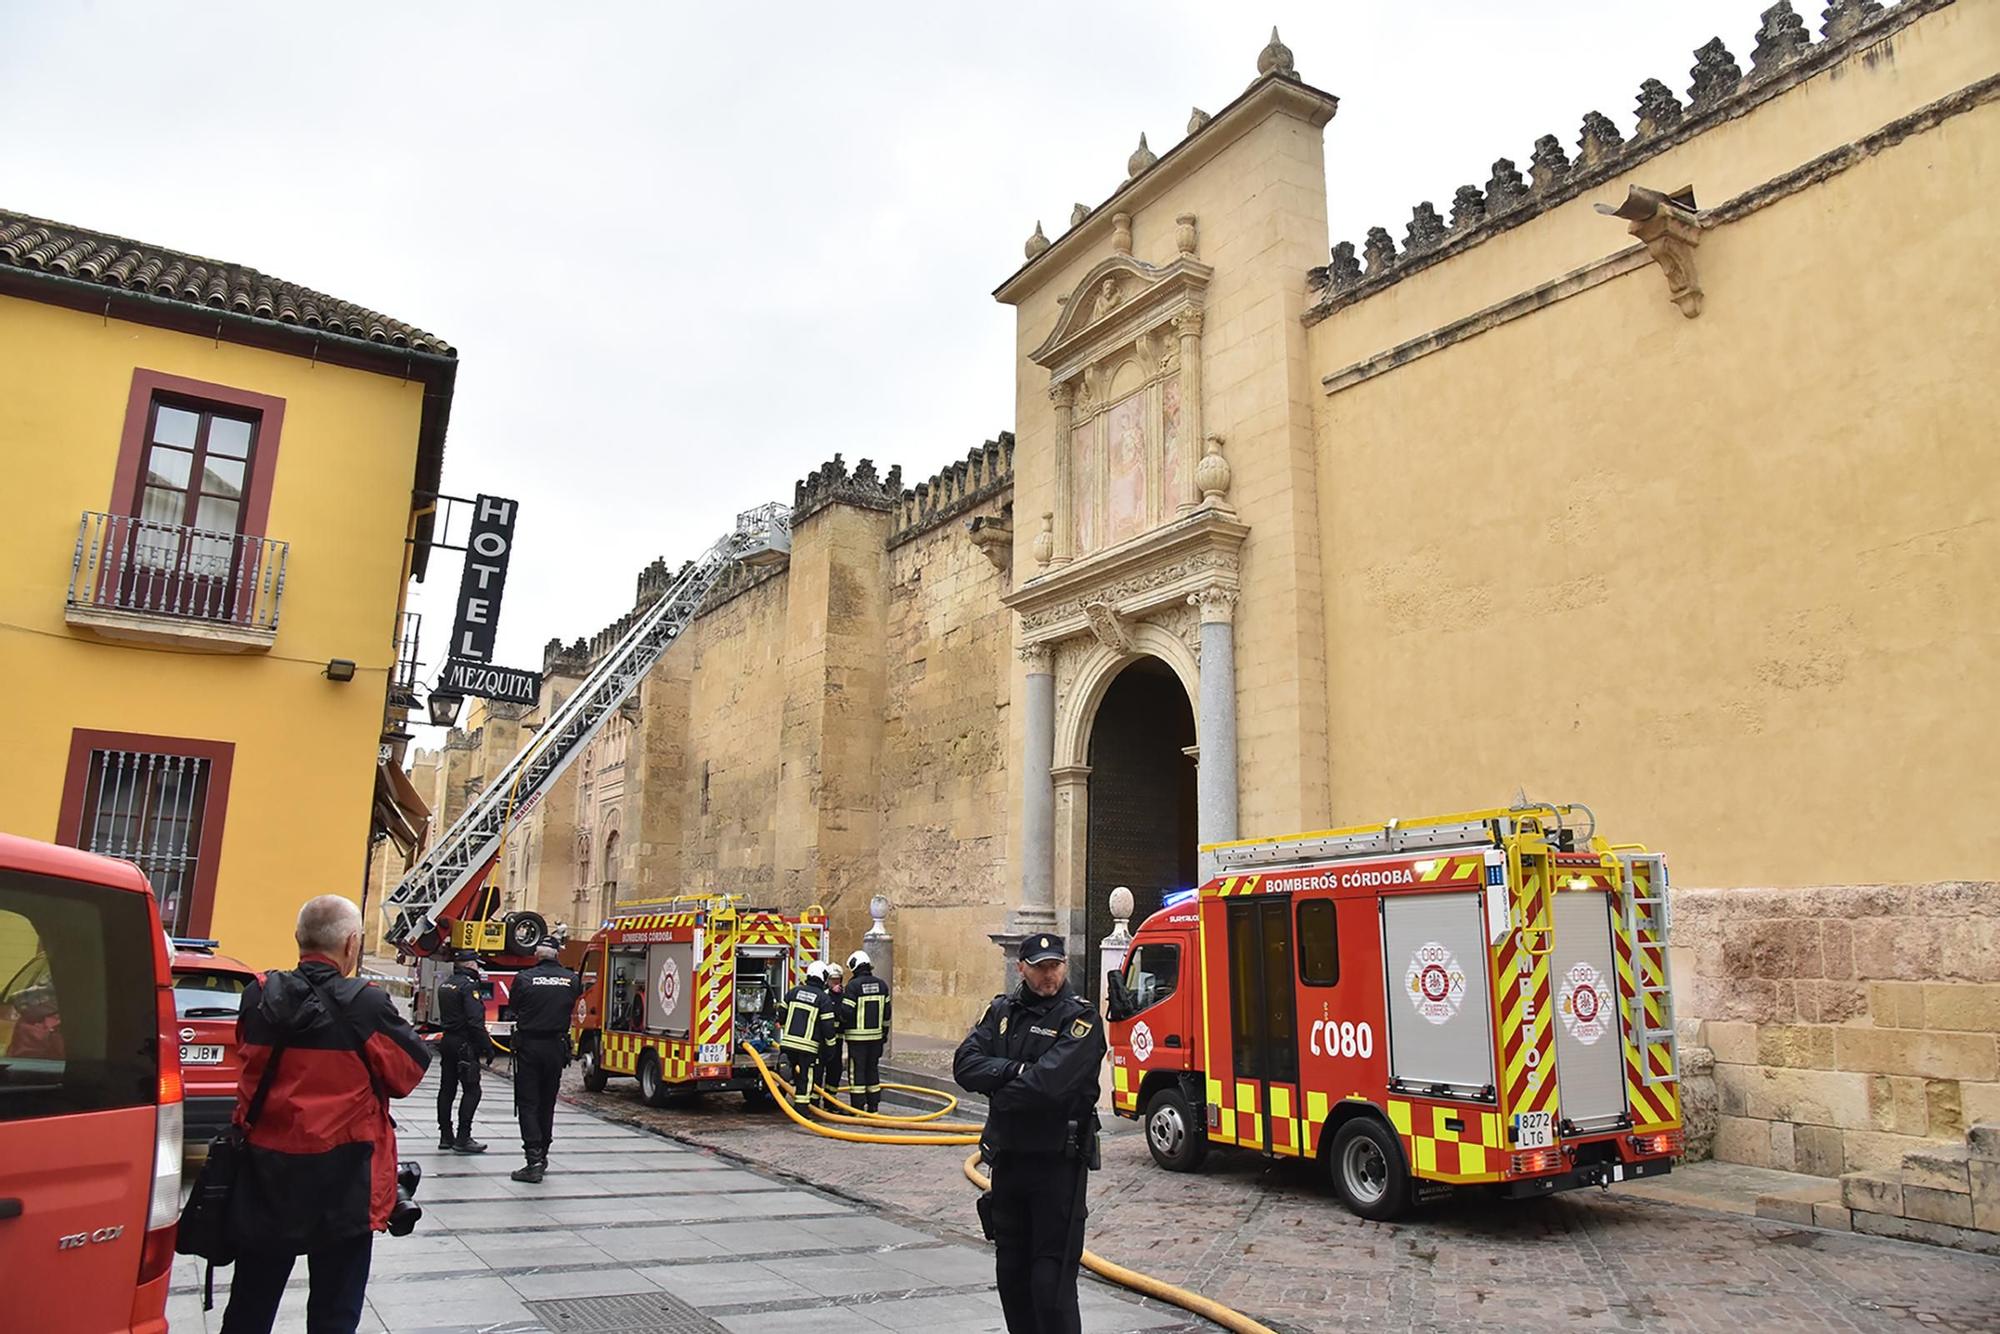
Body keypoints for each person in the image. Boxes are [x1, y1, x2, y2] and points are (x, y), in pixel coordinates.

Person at [220, 895, 431, 1334]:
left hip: (265, 1175)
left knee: (249, 1305)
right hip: (344, 1180)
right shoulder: (366, 1005)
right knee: (335, 1311)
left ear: (298, 938)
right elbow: (407, 1073)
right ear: (353, 944)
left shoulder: (257, 995)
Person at [953, 934, 1106, 1334]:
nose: (1049, 974)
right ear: (1021, 967)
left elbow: (1050, 1085)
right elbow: (964, 1065)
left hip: (1057, 1165)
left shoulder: (1081, 1019)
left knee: (1050, 1286)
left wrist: (999, 1080)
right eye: (1039, 966)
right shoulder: (1002, 1011)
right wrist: (1014, 1072)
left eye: (1055, 965)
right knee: (1012, 1277)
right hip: (1010, 1161)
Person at [507, 941, 581, 1184]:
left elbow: (514, 1008)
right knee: (547, 1102)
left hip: (530, 1045)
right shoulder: (571, 979)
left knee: (528, 1103)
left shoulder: (524, 978)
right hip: (556, 1047)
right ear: (556, 954)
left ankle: (533, 1159)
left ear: (537, 956)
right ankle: (544, 1153)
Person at [435, 954, 490, 1153]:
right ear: (469, 964)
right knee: (472, 1089)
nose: (478, 968)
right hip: (464, 1044)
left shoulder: (446, 985)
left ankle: (445, 1135)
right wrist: (486, 1046)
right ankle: (463, 1137)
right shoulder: (469, 987)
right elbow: (475, 1020)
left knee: (446, 1089)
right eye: (476, 964)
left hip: (448, 1041)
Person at [839, 950, 891, 1112]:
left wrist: (839, 1021)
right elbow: (887, 1013)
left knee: (857, 1072)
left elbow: (847, 1011)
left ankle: (857, 1107)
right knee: (872, 1070)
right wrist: (883, 1034)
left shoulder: (853, 986)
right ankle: (873, 1105)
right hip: (876, 1038)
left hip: (857, 1039)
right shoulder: (882, 985)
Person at [777, 960, 833, 1109]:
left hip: (788, 1043)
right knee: (806, 1077)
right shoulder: (823, 998)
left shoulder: (794, 992)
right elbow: (828, 1026)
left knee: (791, 1072)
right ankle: (801, 1109)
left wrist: (784, 1026)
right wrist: (831, 1045)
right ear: (823, 977)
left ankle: (781, 1086)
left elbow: (781, 1013)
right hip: (808, 1047)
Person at [819, 962, 846, 1105]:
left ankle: (830, 1099)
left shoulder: (844, 996)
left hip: (838, 1040)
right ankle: (814, 1100)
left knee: (835, 1070)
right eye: (832, 980)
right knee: (819, 1070)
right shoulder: (823, 996)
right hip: (823, 1041)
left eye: (838, 980)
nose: (836, 983)